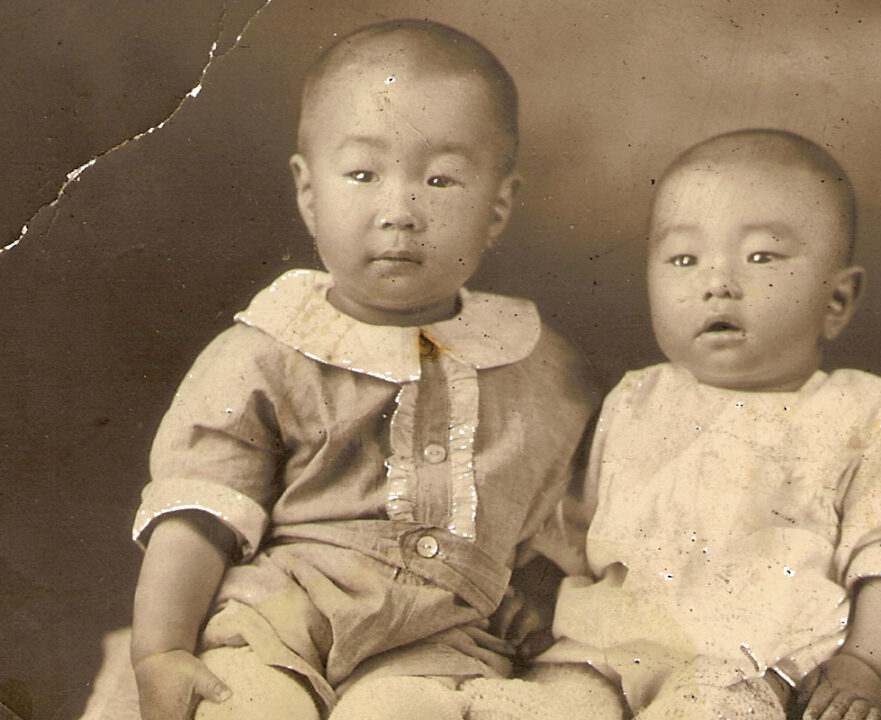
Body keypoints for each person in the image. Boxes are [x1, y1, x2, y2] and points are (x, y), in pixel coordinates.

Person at [127, 19, 594, 720]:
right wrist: (160, 651)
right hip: (280, 618)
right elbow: (197, 515)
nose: (399, 211)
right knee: (247, 704)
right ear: (309, 191)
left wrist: (534, 583)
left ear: (497, 206)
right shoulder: (267, 349)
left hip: (438, 642)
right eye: (363, 174)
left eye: (438, 180)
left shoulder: (535, 359)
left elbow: (550, 506)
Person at [497, 129, 881, 720]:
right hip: (608, 653)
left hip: (767, 666)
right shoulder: (635, 399)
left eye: (762, 257)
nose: (716, 281)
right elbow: (566, 528)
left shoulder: (872, 412)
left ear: (837, 300)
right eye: (684, 259)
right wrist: (538, 596)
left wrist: (865, 666)